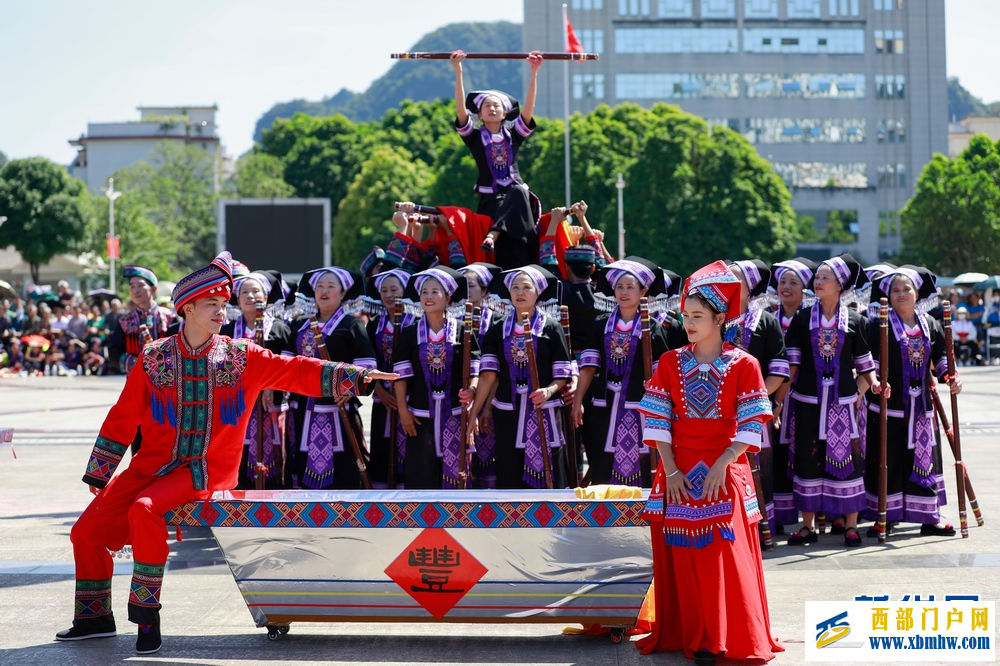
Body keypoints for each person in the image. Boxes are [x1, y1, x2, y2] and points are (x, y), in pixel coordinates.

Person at [56, 252, 395, 654]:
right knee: (86, 533)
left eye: (223, 305)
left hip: (205, 470)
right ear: (187, 308)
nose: (221, 312)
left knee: (144, 509)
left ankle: (147, 614)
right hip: (153, 466)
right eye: (211, 305)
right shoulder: (153, 357)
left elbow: (295, 369)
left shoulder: (240, 356)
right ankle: (94, 618)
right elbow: (123, 415)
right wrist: (101, 472)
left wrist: (355, 376)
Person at [635, 260, 782, 665]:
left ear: (720, 318)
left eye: (697, 316)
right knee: (685, 555)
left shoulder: (745, 365)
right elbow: (657, 421)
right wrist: (672, 470)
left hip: (725, 468)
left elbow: (754, 421)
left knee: (723, 550)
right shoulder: (669, 363)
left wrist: (726, 461)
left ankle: (725, 635)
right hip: (679, 469)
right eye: (685, 316)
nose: (688, 324)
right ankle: (696, 635)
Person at [785, 254, 877, 548]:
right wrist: (777, 399)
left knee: (849, 461)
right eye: (818, 277)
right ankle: (808, 525)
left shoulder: (857, 320)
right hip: (809, 401)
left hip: (843, 405)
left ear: (840, 285)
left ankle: (851, 526)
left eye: (824, 278)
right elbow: (793, 364)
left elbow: (865, 365)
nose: (818, 281)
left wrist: (868, 389)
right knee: (807, 459)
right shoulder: (802, 318)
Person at [863, 266, 959, 537]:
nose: (901, 294)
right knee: (888, 459)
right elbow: (869, 361)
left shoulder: (931, 324)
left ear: (917, 294)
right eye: (895, 290)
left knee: (925, 460)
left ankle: (929, 517)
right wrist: (875, 383)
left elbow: (941, 357)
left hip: (921, 407)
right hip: (889, 405)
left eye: (907, 289)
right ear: (888, 296)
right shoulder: (879, 325)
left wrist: (950, 377)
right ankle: (886, 516)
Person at [471, 265, 573, 488]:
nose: (520, 292)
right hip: (508, 410)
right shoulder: (498, 328)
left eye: (526, 287)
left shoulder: (552, 327)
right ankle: (513, 521)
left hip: (543, 408)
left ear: (537, 293)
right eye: (515, 287)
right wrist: (474, 413)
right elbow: (488, 375)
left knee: (551, 469)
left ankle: (552, 520)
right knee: (509, 467)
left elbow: (563, 374)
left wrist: (548, 391)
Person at [574, 258, 673, 486]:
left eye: (630, 287)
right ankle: (603, 515)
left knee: (643, 461)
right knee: (601, 459)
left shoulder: (653, 329)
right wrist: (578, 399)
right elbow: (589, 366)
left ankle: (642, 517)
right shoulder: (600, 325)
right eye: (620, 287)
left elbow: (663, 374)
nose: (624, 292)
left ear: (643, 292)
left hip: (641, 407)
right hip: (603, 406)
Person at [451, 49, 543, 270]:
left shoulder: (514, 136)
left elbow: (529, 108)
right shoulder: (474, 138)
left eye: (496, 106)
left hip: (518, 200)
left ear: (504, 113)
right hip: (491, 202)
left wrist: (534, 73)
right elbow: (461, 111)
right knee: (517, 201)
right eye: (487, 106)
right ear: (479, 114)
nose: (492, 108)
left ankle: (494, 234)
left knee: (520, 191)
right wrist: (458, 72)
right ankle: (496, 241)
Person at [288, 267, 378, 489]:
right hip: (304, 406)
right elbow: (286, 361)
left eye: (331, 286)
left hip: (339, 406)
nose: (324, 291)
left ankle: (345, 514)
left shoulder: (352, 325)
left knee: (346, 462)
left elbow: (367, 365)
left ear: (343, 293)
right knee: (301, 457)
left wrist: (349, 389)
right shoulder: (299, 326)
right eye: (320, 286)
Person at [393, 267, 479, 488]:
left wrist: (472, 390)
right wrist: (403, 410)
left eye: (435, 292)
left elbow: (475, 370)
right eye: (424, 292)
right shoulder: (410, 333)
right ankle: (422, 521)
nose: (428, 297)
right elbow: (401, 375)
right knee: (420, 473)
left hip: (456, 414)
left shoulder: (464, 331)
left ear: (448, 298)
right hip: (419, 414)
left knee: (457, 474)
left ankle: (456, 520)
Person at [728, 260, 789, 537]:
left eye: (735, 279)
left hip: (752, 407)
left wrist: (751, 401)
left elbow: (779, 371)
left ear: (750, 287)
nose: (728, 283)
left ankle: (759, 528)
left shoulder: (766, 321)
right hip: (714, 409)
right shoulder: (712, 316)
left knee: (757, 469)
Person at [220, 270, 295, 489]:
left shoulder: (280, 329)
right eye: (244, 292)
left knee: (276, 446)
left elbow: (288, 366)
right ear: (237, 298)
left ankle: (277, 491)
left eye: (255, 291)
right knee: (238, 447)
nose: (250, 296)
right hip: (239, 403)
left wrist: (271, 385)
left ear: (267, 296)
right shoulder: (228, 330)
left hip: (273, 402)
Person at [767, 257, 817, 531]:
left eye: (793, 283)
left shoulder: (811, 319)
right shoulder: (768, 319)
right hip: (775, 395)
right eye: (783, 281)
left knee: (805, 454)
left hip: (803, 398)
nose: (786, 287)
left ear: (805, 288)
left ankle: (812, 516)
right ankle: (781, 516)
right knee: (777, 453)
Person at [365, 269, 416, 489]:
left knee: (409, 448)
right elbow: (368, 361)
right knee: (382, 447)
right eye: (384, 290)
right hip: (382, 398)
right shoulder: (375, 323)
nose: (389, 294)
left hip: (411, 398)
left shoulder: (416, 323)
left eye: (394, 289)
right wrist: (380, 390)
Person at [458, 262, 502, 487]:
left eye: (471, 286)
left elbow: (497, 370)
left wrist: (487, 406)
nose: (467, 290)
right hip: (462, 399)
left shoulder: (497, 321)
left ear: (484, 291)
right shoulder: (454, 322)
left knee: (490, 459)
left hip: (490, 399)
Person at [108, 266, 174, 376]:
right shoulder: (125, 321)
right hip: (136, 379)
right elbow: (114, 352)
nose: (135, 290)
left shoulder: (169, 317)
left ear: (153, 289)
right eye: (132, 287)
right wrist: (136, 363)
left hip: (165, 382)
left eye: (140, 285)